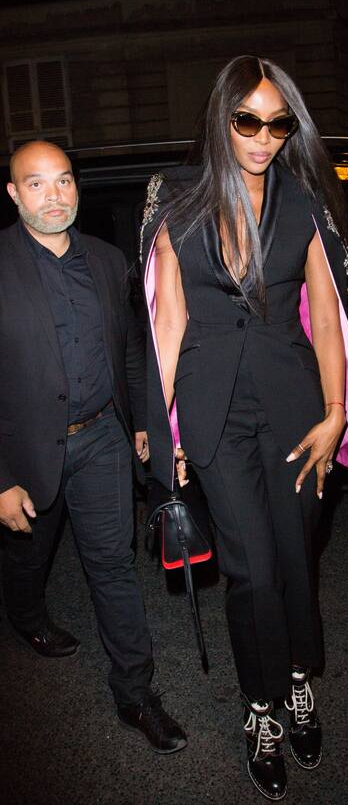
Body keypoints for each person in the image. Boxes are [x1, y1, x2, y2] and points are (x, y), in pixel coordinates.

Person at [141, 56, 348, 799]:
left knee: (293, 557)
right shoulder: (179, 201)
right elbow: (169, 321)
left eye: (278, 124)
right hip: (214, 410)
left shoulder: (304, 201)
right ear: (222, 118)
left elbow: (327, 317)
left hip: (295, 409)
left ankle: (299, 678)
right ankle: (261, 707)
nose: (264, 137)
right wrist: (166, 426)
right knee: (248, 570)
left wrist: (336, 416)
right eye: (249, 120)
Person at [0, 141, 186, 754]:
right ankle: (25, 617)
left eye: (64, 181)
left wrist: (137, 421)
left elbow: (130, 346)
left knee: (112, 565)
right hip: (25, 449)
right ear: (12, 194)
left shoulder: (108, 262)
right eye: (36, 184)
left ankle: (136, 693)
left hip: (102, 437)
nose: (54, 196)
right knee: (31, 555)